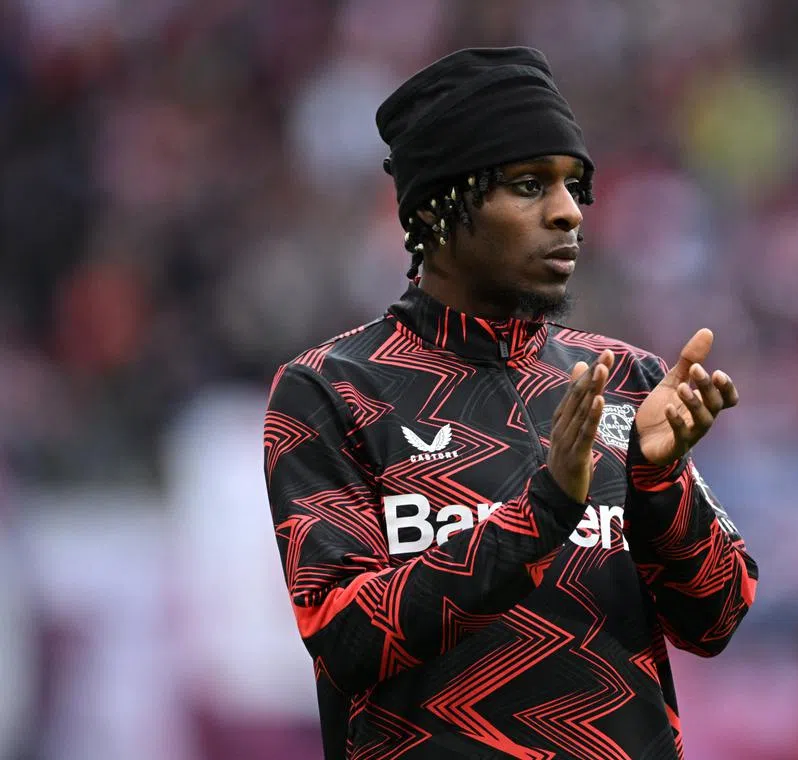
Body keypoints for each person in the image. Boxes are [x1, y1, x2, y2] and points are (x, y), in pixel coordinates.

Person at [262, 47, 757, 759]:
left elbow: (718, 619)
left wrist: (660, 482)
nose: (567, 213)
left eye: (573, 186)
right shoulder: (332, 390)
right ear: (437, 208)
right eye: (529, 185)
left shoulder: (624, 380)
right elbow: (345, 636)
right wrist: (543, 513)